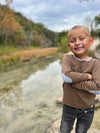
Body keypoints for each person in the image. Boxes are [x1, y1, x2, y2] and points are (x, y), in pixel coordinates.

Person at [60, 25, 100, 133]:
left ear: (90, 41)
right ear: (69, 45)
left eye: (81, 38)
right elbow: (66, 76)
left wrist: (77, 83)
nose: (77, 43)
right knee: (64, 130)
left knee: (81, 131)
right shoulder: (67, 58)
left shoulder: (96, 64)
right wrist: (87, 76)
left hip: (87, 109)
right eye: (73, 41)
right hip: (68, 107)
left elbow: (98, 88)